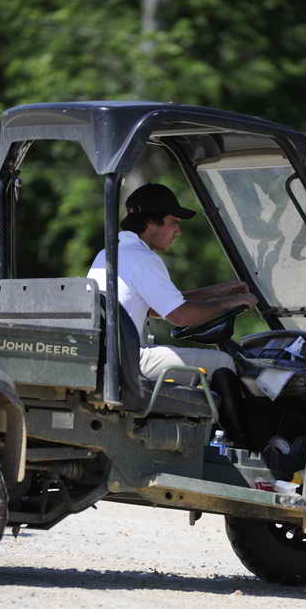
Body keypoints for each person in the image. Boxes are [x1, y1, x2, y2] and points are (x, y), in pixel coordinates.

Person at [88, 183, 258, 443]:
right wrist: (228, 304)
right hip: (130, 361)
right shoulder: (144, 259)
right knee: (225, 363)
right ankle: (242, 447)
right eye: (173, 222)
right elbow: (180, 316)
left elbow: (158, 307)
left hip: (111, 358)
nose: (178, 231)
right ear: (151, 222)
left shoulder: (112, 253)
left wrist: (219, 292)